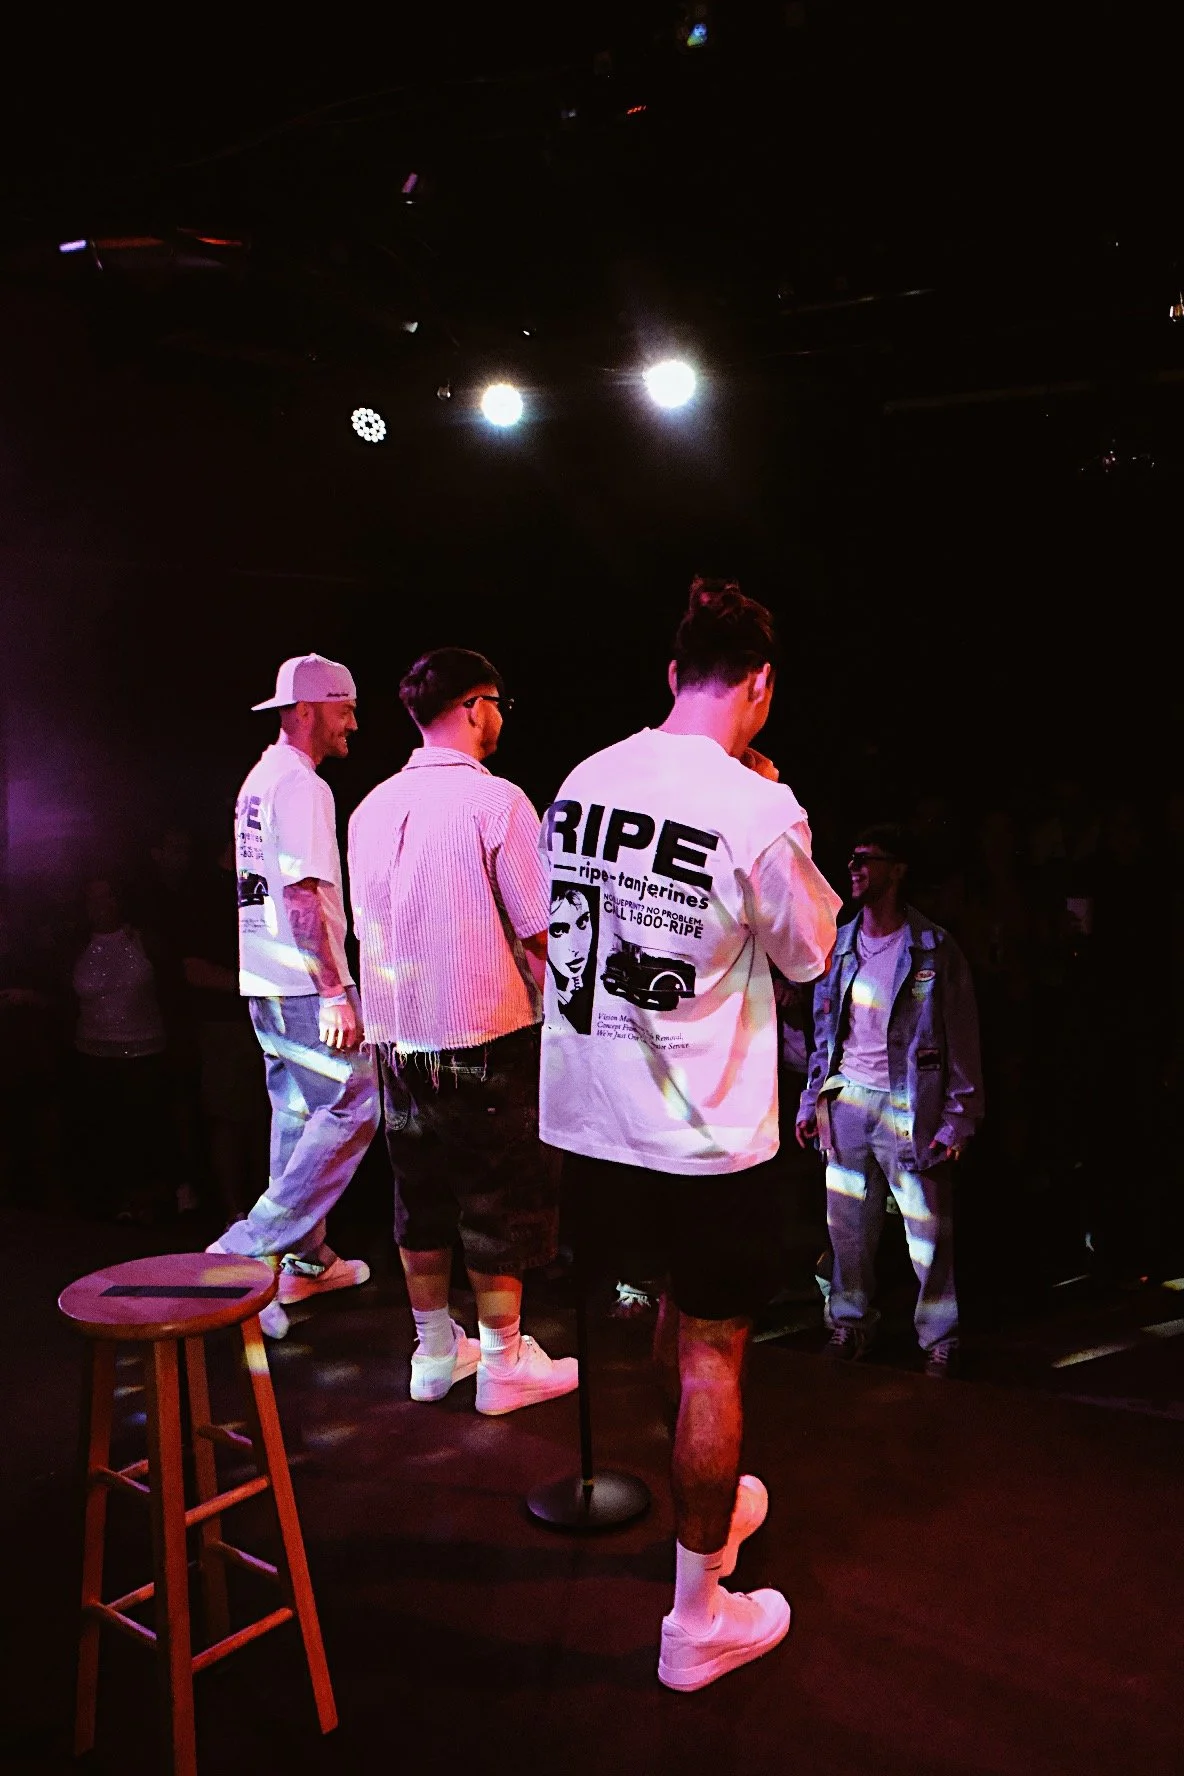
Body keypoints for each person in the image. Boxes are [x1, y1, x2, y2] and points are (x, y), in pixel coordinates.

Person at [540, 578, 841, 1692]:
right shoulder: (758, 809)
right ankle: (693, 1620)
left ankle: (708, 1512)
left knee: (665, 1313)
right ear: (758, 686)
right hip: (704, 1136)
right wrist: (774, 797)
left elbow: (563, 942)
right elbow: (811, 951)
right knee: (714, 1355)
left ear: (672, 675)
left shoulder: (581, 781)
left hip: (586, 1122)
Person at [348, 646, 577, 1415]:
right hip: (483, 1032)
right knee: (497, 1199)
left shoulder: (370, 806)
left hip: (397, 1036)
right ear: (478, 706)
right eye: (499, 705)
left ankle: (435, 1351)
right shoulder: (499, 802)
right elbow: (542, 931)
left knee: (418, 1194)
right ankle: (505, 1363)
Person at [208, 653, 380, 1340]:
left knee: (298, 1113)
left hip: (266, 977)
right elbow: (302, 893)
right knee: (356, 1102)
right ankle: (250, 1250)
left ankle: (301, 1265)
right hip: (307, 984)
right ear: (308, 711)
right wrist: (336, 990)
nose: (354, 726)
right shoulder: (304, 788)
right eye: (345, 711)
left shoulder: (261, 779)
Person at [795, 825, 983, 1375]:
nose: (853, 867)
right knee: (848, 1232)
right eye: (851, 859)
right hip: (849, 1102)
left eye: (865, 859)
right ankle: (848, 1324)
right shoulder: (842, 943)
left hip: (911, 1108)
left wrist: (958, 1119)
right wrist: (813, 1101)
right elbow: (825, 1032)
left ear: (897, 869)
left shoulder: (933, 948)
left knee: (927, 1233)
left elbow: (962, 1038)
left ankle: (940, 1338)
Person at [70, 877, 172, 1222]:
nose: (101, 906)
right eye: (93, 899)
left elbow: (172, 988)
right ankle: (109, 1203)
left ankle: (148, 1201)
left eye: (108, 897)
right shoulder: (75, 944)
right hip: (93, 1053)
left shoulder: (143, 940)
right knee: (104, 1130)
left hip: (144, 1052)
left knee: (144, 1129)